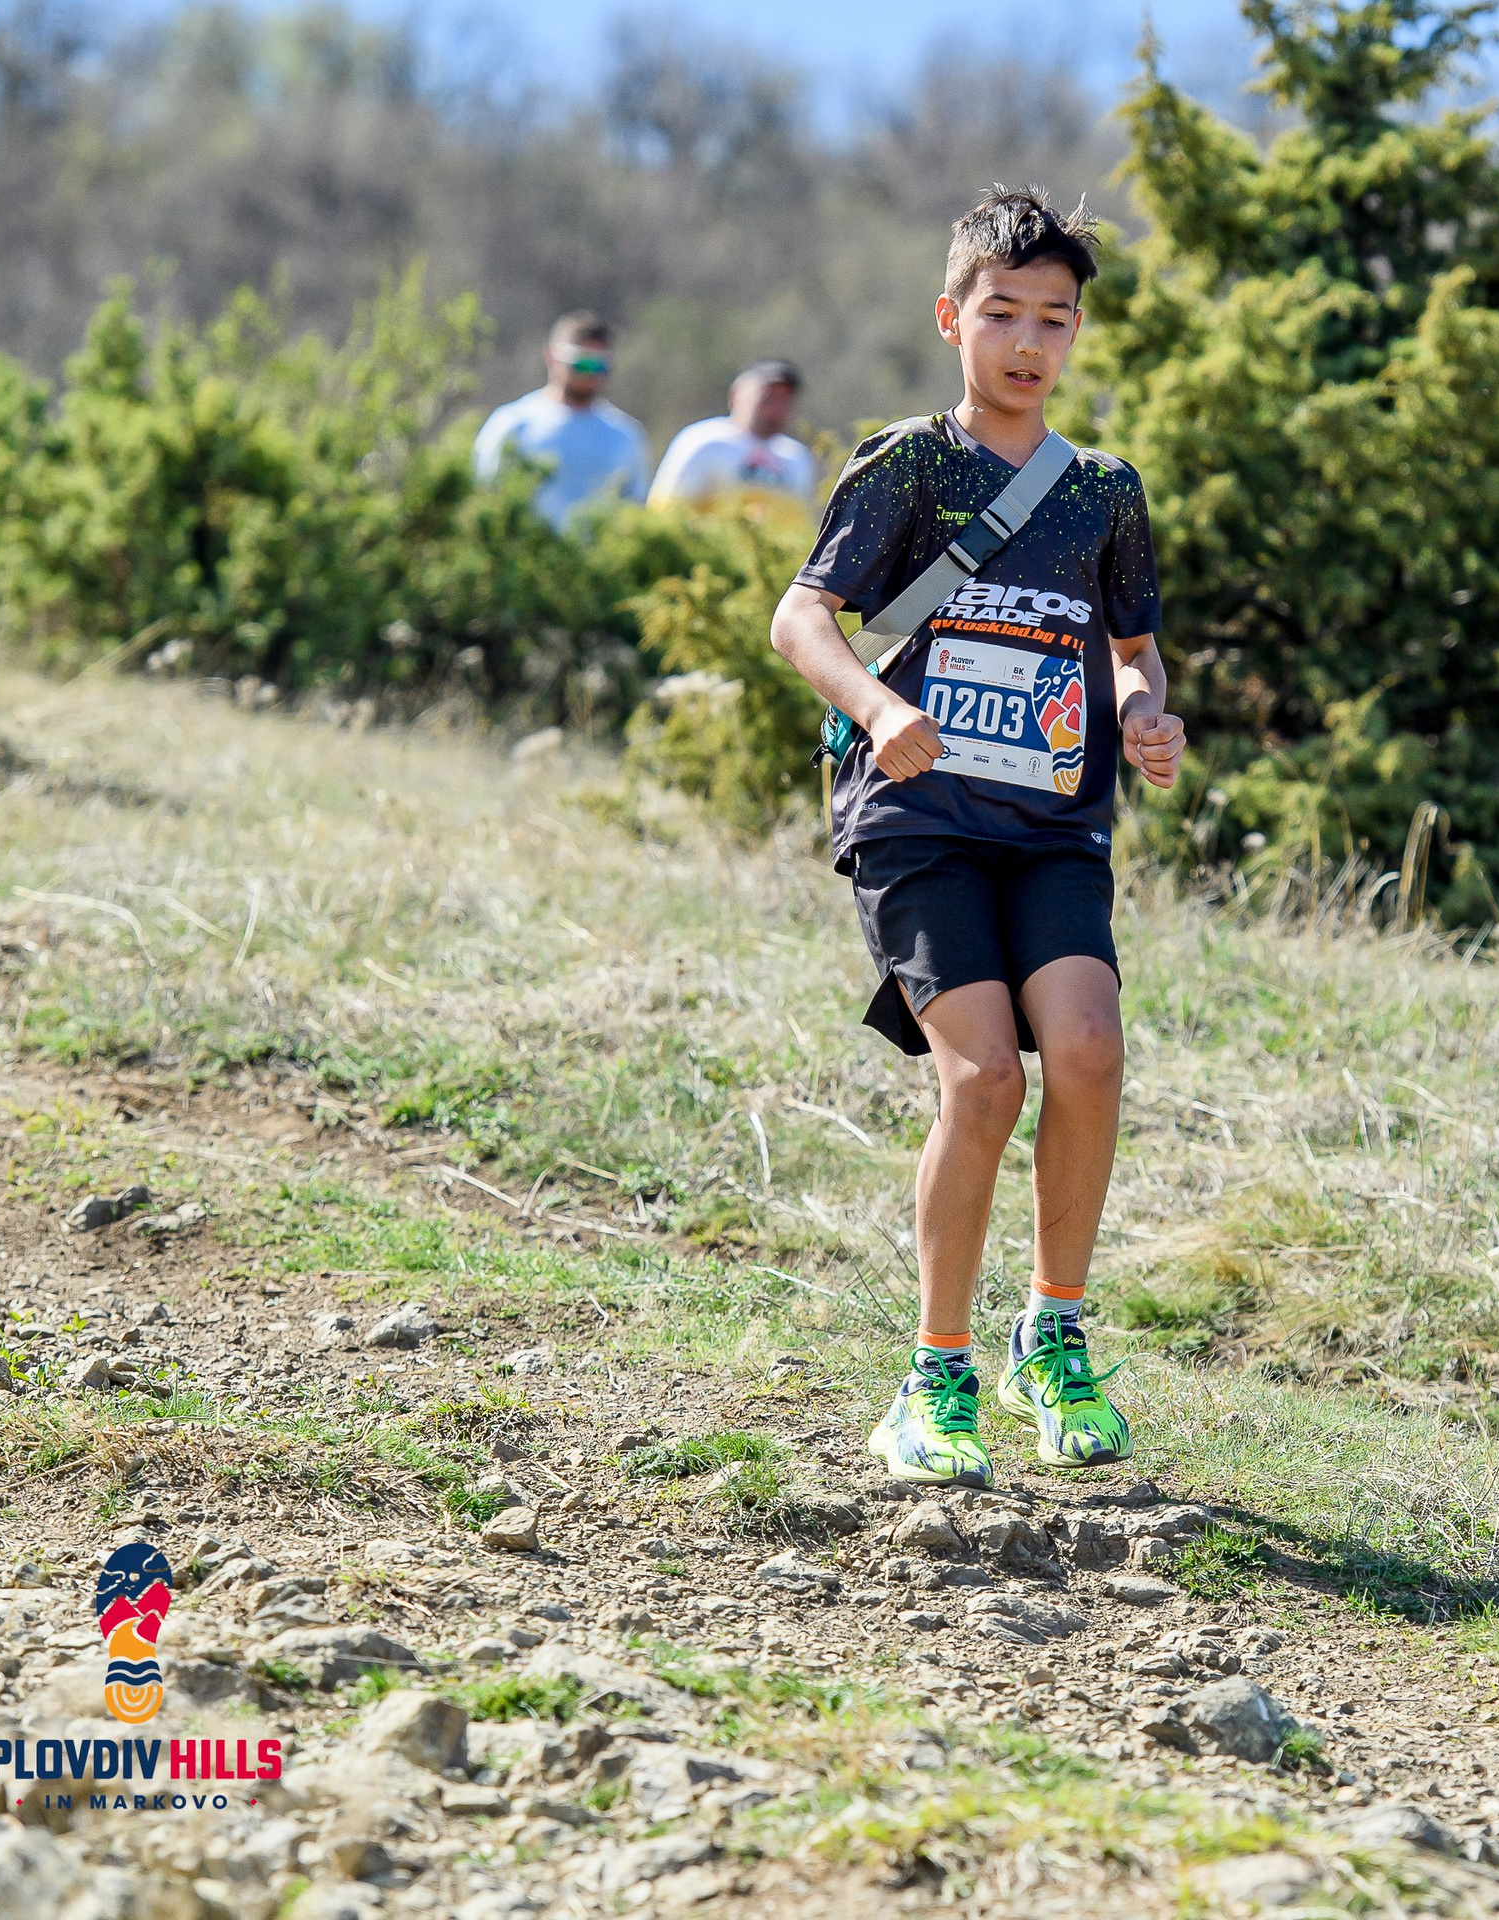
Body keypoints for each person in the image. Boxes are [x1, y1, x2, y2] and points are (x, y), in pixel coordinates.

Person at [770, 187, 1184, 1488]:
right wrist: (880, 703)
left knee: (1091, 1050)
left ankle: (1052, 1338)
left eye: (1052, 320)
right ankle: (931, 1377)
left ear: (1074, 339)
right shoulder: (908, 466)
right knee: (985, 1082)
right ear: (952, 317)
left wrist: (1146, 714)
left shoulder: (1105, 491)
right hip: (919, 821)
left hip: (1054, 825)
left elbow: (1133, 653)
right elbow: (802, 620)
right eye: (1000, 313)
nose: (1025, 341)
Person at [472, 313, 651, 530]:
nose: (591, 374)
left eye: (601, 365)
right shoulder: (512, 424)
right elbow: (482, 497)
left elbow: (636, 510)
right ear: (551, 357)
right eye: (583, 363)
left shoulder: (626, 434)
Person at [650, 359, 817, 506]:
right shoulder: (705, 443)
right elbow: (665, 513)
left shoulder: (797, 458)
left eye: (785, 401)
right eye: (767, 397)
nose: (776, 409)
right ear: (736, 395)